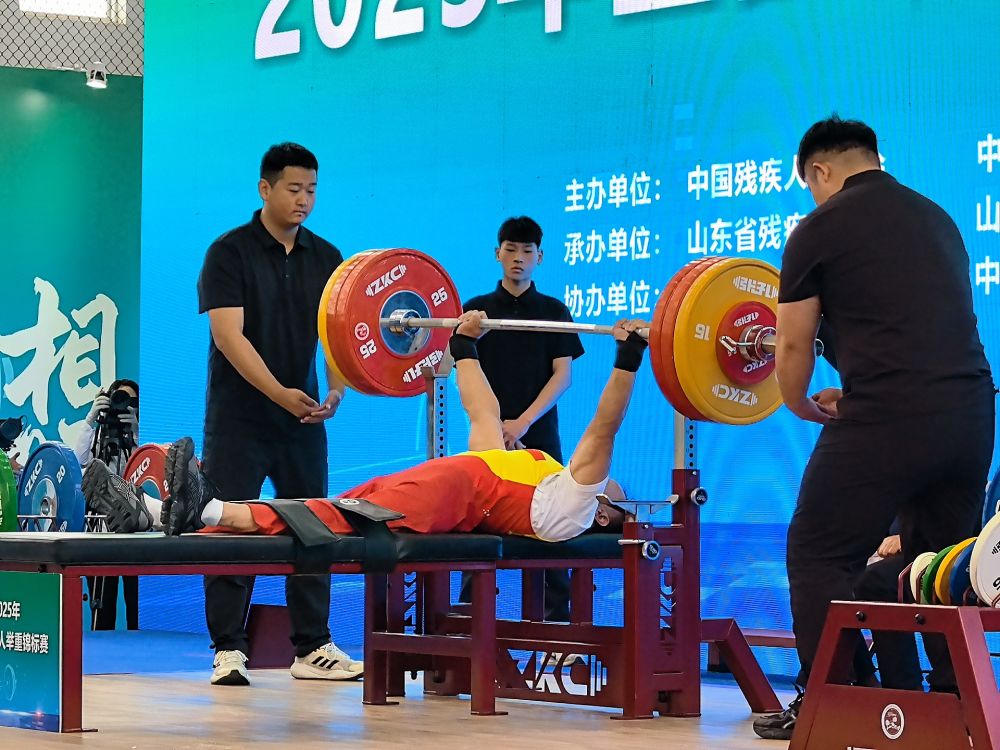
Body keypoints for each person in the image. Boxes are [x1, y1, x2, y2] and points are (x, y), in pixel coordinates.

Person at [755, 116, 996, 740]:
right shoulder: (938, 218)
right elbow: (911, 325)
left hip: (889, 413)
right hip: (969, 412)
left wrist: (800, 403)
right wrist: (856, 385)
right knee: (937, 565)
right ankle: (956, 709)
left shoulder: (818, 227)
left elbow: (791, 345)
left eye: (810, 185)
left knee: (818, 550)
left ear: (820, 170)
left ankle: (840, 701)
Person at [81, 313, 646, 557]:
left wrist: (628, 359)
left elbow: (604, 430)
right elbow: (483, 414)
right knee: (326, 510)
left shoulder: (573, 507)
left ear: (605, 514)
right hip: (440, 485)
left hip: (446, 497)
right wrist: (465, 346)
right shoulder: (537, 471)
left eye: (620, 499)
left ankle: (202, 509)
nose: (619, 488)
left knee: (328, 518)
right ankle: (161, 514)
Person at [195, 142, 354, 687]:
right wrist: (279, 393)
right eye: (293, 189)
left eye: (312, 190)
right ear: (265, 189)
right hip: (238, 421)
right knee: (229, 530)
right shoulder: (228, 252)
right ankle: (227, 649)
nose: (304, 199)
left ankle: (312, 647)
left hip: (303, 420)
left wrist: (337, 391)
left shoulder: (328, 258)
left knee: (314, 528)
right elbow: (228, 336)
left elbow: (338, 336)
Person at [460, 216, 584, 621]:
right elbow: (458, 365)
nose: (518, 258)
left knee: (554, 525)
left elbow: (563, 376)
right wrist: (494, 427)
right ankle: (467, 621)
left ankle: (558, 627)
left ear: (539, 257)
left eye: (527, 251)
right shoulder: (476, 311)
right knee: (479, 521)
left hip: (540, 435)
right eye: (510, 249)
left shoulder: (553, 310)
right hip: (488, 438)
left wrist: (523, 423)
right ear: (497, 253)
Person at [74, 379, 140, 632]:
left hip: (138, 533)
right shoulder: (99, 437)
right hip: (102, 530)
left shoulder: (140, 437)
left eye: (131, 401)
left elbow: (148, 474)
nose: (123, 405)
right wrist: (91, 419)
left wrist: (136, 433)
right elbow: (78, 461)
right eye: (118, 398)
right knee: (103, 607)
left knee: (137, 605)